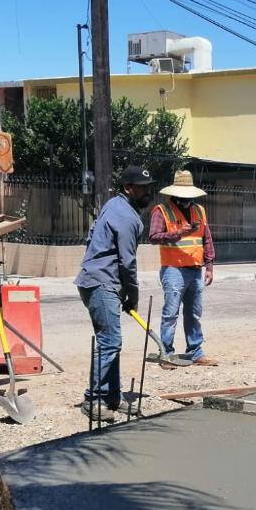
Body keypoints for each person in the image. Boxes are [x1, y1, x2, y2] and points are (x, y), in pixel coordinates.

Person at [74, 165, 153, 421]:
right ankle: (94, 399)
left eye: (148, 187)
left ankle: (112, 398)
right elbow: (127, 262)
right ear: (127, 188)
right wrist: (133, 296)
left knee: (111, 343)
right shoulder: (128, 217)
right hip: (102, 282)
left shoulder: (113, 206)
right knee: (109, 343)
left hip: (95, 280)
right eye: (142, 188)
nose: (146, 192)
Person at [149, 170, 219, 367]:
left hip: (195, 269)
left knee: (194, 312)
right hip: (173, 269)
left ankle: (196, 352)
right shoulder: (161, 211)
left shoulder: (199, 210)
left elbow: (207, 239)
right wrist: (178, 233)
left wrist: (210, 265)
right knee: (171, 313)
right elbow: (153, 237)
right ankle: (166, 353)